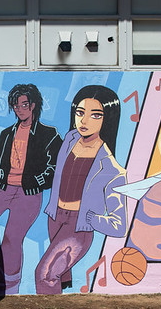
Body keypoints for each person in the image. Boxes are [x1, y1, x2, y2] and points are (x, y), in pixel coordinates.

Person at [35, 85, 128, 294]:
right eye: (80, 112)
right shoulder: (70, 139)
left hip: (78, 226)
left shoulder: (112, 169)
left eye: (96, 115)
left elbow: (119, 226)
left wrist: (90, 219)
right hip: (55, 217)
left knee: (45, 274)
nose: (84, 121)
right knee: (59, 277)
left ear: (108, 119)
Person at [0, 83, 62, 294]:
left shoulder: (49, 134)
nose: (19, 110)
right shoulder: (6, 134)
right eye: (16, 105)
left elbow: (55, 168)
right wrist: (0, 176)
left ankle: (9, 287)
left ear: (33, 105)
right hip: (4, 190)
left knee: (12, 238)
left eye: (24, 105)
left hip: (28, 194)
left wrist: (34, 181)